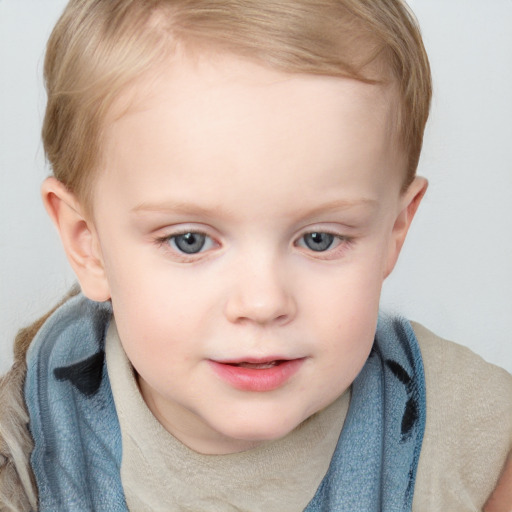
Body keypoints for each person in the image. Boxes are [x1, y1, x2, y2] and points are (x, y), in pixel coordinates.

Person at [0, 0, 510, 510]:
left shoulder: (471, 435)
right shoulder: (26, 442)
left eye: (320, 239)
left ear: (395, 230)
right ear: (87, 242)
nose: (263, 303)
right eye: (190, 241)